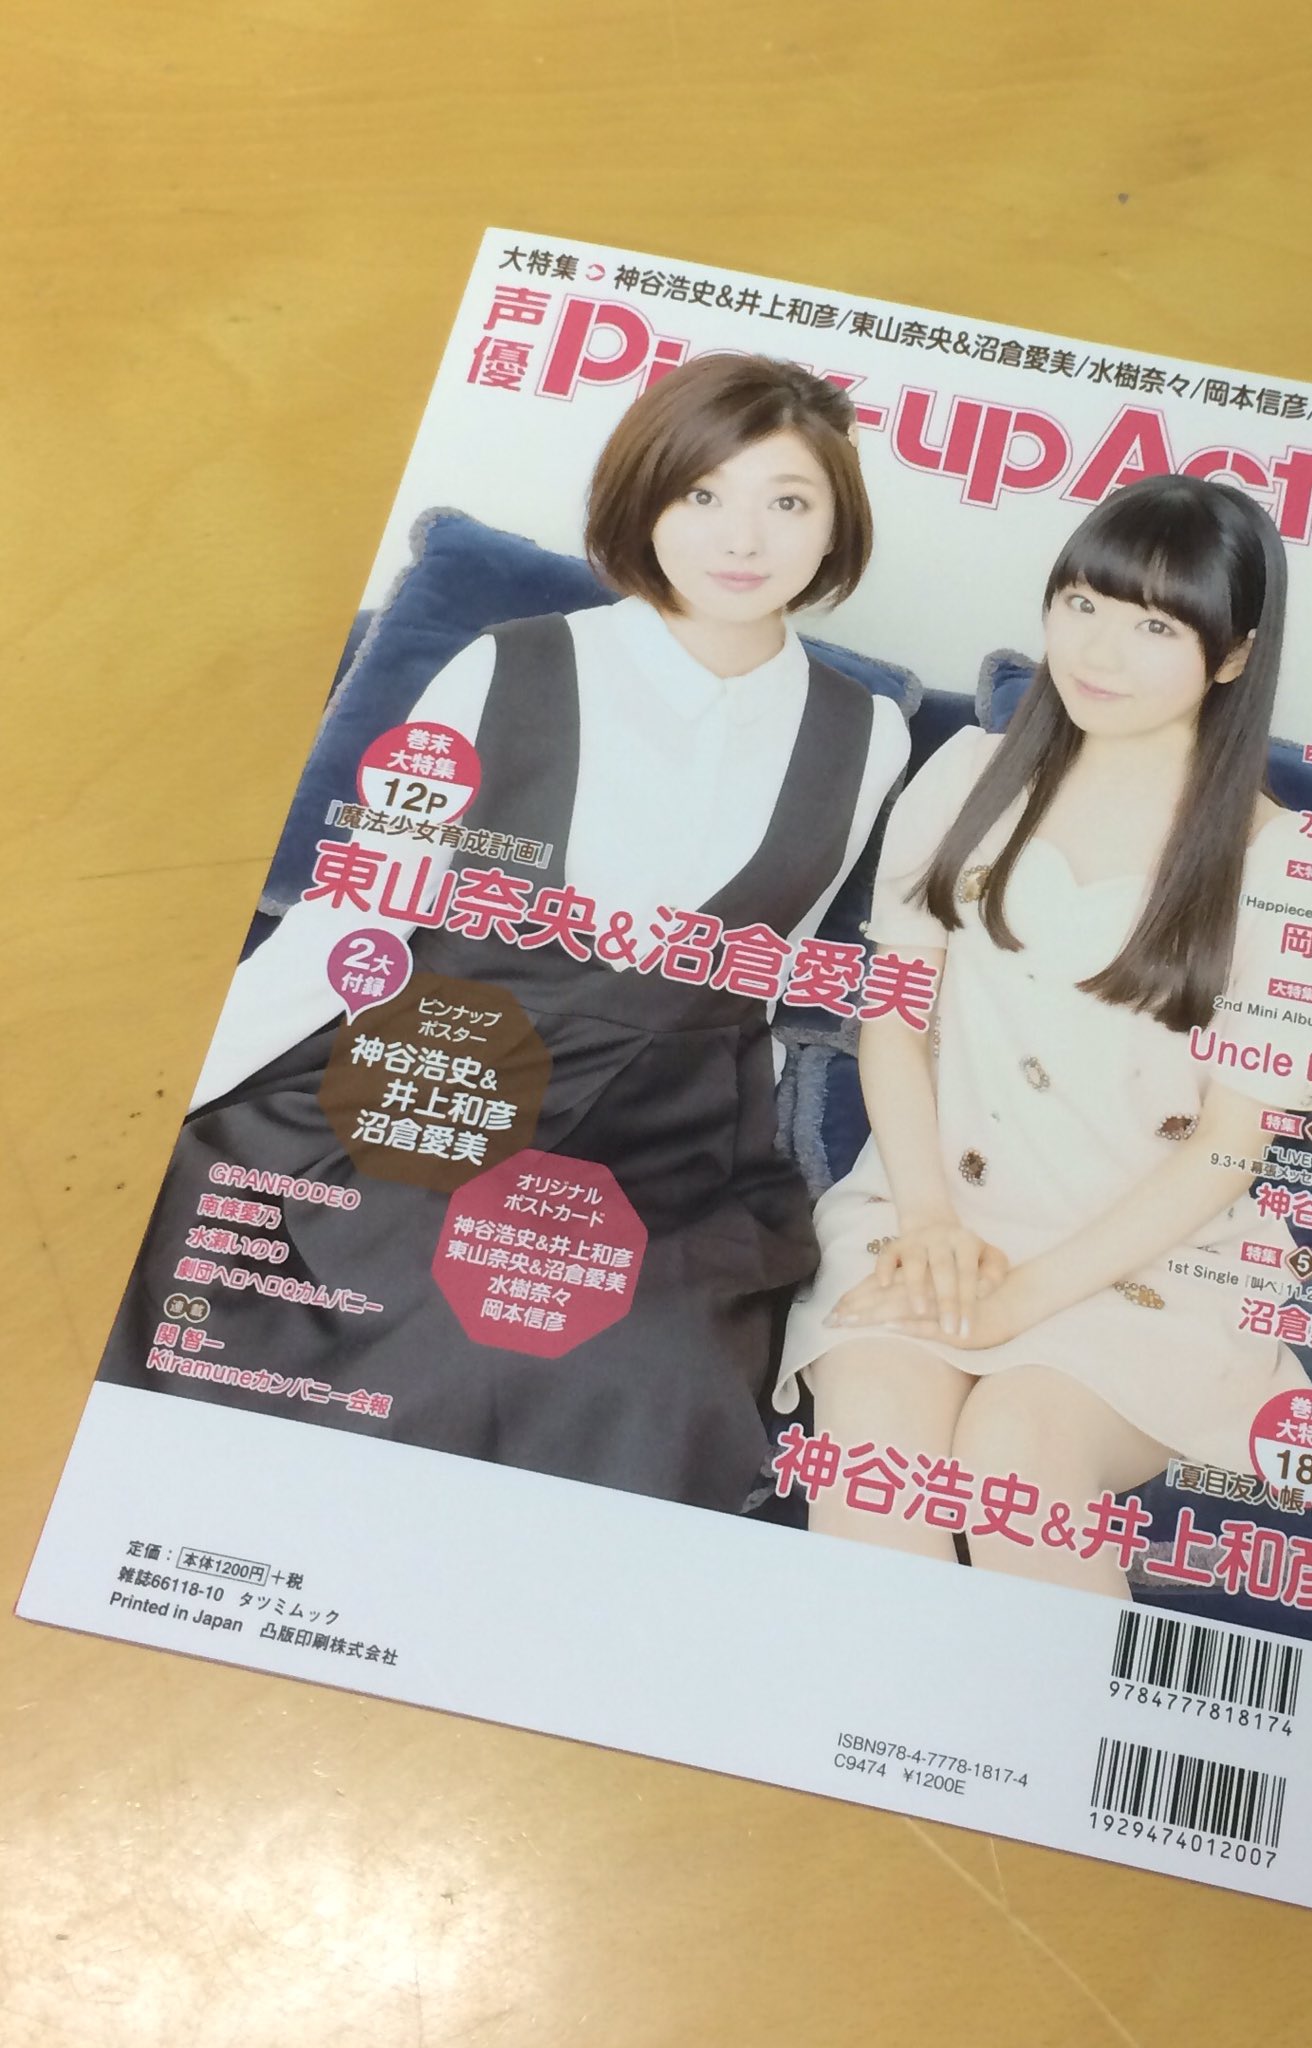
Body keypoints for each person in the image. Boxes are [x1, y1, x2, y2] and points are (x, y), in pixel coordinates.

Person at [100, 353, 911, 1513]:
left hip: (666, 1135)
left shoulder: (868, 735)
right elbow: (351, 918)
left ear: (835, 523)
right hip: (439, 1078)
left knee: (647, 1358)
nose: (743, 537)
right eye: (703, 493)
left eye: (788, 500)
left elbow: (767, 978)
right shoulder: (510, 666)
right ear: (647, 496)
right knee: (420, 1293)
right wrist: (151, 1103)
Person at [776, 474, 1312, 1595]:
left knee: (1017, 1451)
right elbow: (891, 1022)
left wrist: (1022, 1298)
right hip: (927, 1213)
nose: (1099, 650)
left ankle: (1062, 1718)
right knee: (879, 1453)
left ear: (1233, 657)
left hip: (1145, 1261)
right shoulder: (967, 776)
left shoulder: (1305, 877)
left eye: (1155, 626)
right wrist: (930, 1223)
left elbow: (1228, 1149)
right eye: (1083, 603)